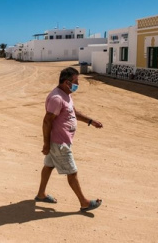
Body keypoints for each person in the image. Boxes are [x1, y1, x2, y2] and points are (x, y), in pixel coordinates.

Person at [35, 66, 103, 212]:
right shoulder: (57, 98)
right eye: (76, 81)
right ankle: (84, 202)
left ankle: (41, 194)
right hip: (59, 143)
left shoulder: (67, 94)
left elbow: (73, 112)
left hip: (61, 142)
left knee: (48, 166)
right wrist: (46, 144)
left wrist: (91, 121)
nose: (77, 84)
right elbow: (47, 121)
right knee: (72, 172)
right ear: (67, 82)